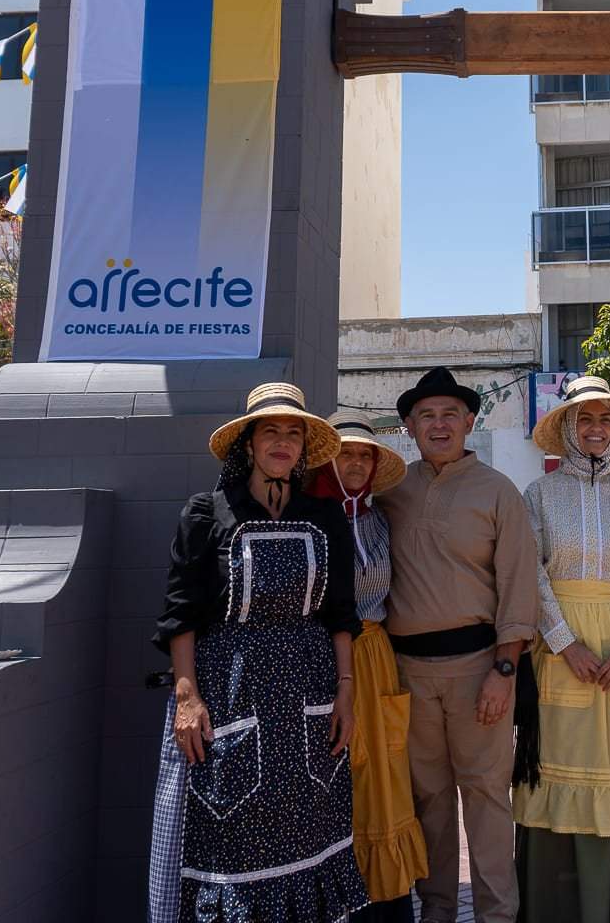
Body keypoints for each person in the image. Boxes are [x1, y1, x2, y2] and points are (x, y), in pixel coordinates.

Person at [147, 382, 366, 923]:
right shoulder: (207, 513)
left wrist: (347, 693)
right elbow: (182, 612)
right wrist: (186, 695)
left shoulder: (325, 517)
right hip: (232, 695)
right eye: (272, 431)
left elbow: (340, 614)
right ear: (248, 442)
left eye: (294, 433)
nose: (283, 442)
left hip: (309, 698)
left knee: (308, 828)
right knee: (232, 831)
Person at [379, 367, 539, 923]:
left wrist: (504, 669)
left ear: (471, 421)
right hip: (407, 673)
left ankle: (497, 914)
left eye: (450, 414)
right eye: (426, 415)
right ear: (408, 425)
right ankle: (439, 910)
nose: (439, 424)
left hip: (480, 670)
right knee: (428, 802)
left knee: (488, 801)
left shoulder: (498, 492)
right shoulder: (392, 489)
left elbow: (519, 584)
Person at [515, 376, 610, 923]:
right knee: (558, 767)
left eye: (604, 420)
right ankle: (556, 906)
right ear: (568, 429)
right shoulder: (540, 495)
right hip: (561, 653)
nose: (596, 430)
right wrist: (562, 642)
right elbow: (530, 572)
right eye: (585, 420)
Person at [307, 410, 428, 923]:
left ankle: (385, 900)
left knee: (381, 777)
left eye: (364, 454)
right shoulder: (305, 519)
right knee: (330, 775)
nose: (355, 463)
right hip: (317, 659)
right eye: (346, 453)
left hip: (375, 657)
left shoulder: (382, 519)